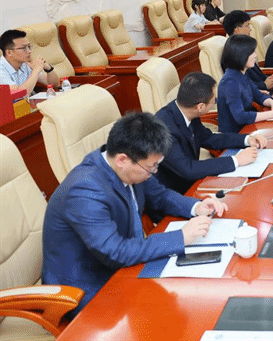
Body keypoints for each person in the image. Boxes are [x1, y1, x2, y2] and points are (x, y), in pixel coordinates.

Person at [41, 112, 228, 316]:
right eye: (151, 167)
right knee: (174, 312)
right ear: (122, 160)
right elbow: (115, 252)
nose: (155, 172)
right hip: (87, 288)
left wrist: (196, 207)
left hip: (126, 265)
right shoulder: (85, 192)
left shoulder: (128, 164)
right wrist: (181, 237)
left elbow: (160, 195)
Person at [154, 72, 269, 194]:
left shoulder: (186, 109)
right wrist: (236, 160)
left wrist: (247, 139)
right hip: (174, 192)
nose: (216, 102)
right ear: (200, 107)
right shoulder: (164, 129)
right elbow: (188, 169)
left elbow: (209, 138)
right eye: (214, 101)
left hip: (193, 181)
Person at [217, 34, 273, 133]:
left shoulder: (242, 73)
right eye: (252, 52)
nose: (255, 55)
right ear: (240, 55)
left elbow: (258, 95)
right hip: (236, 134)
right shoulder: (230, 82)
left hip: (249, 127)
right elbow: (240, 117)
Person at [222, 11, 273, 91]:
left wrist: (269, 80)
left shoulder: (243, 46)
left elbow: (256, 74)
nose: (250, 29)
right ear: (238, 30)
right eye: (247, 25)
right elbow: (241, 83)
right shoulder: (234, 52)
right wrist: (264, 85)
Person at [0, 29, 59, 94]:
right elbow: (19, 94)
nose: (29, 51)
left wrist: (48, 68)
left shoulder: (24, 64)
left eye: (29, 46)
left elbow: (55, 84)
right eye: (23, 48)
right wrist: (36, 70)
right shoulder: (1, 71)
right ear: (9, 52)